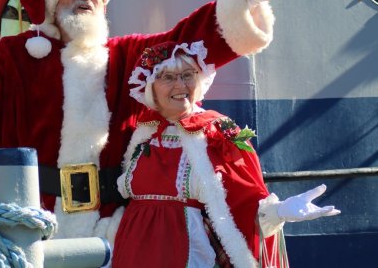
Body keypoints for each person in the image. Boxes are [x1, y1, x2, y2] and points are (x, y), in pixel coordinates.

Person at [0, 0, 291, 242]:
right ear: (52, 2)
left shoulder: (128, 56)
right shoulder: (14, 55)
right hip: (32, 217)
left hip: (113, 224)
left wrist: (245, 0)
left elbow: (187, 41)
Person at [112, 41, 340, 267]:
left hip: (187, 256)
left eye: (188, 75)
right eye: (168, 77)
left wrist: (279, 212)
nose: (181, 85)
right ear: (151, 86)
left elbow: (246, 200)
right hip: (132, 253)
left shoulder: (216, 131)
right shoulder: (144, 132)